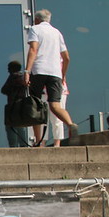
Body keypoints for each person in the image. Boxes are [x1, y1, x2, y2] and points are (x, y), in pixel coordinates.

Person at [24, 9, 78, 144]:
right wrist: (63, 74)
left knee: (36, 107)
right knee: (55, 105)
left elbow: (33, 49)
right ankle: (71, 124)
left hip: (39, 70)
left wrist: (27, 71)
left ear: (36, 19)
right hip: (55, 73)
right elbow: (66, 58)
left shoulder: (35, 29)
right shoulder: (57, 33)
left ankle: (39, 142)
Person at [1, 60, 27, 147]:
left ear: (12, 69)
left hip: (13, 105)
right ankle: (23, 145)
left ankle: (13, 146)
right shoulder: (24, 78)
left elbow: (4, 89)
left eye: (9, 68)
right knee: (20, 127)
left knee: (11, 127)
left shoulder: (13, 77)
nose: (8, 70)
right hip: (22, 105)